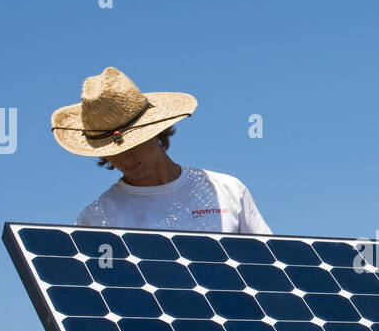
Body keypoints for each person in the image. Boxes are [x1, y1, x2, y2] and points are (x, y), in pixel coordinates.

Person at [51, 66, 271, 233]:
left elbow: (267, 266)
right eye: (112, 149)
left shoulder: (227, 189)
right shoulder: (99, 218)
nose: (125, 156)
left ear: (157, 132)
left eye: (134, 142)